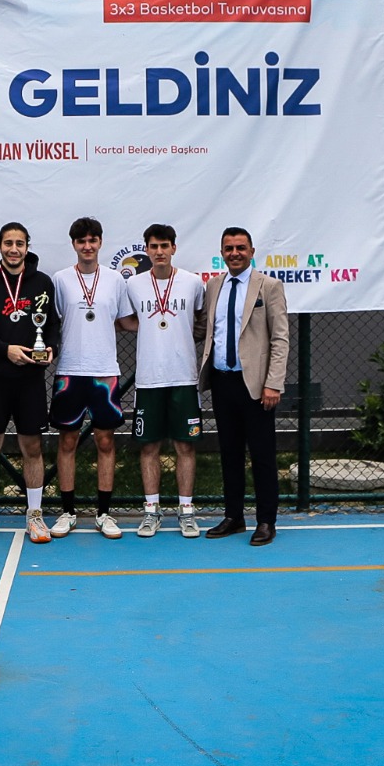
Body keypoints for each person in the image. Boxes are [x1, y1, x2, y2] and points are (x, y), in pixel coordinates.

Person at [0, 222, 62, 545]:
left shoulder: (42, 283)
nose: (13, 249)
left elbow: (53, 326)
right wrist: (5, 350)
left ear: (27, 246)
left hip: (30, 380)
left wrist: (51, 349)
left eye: (19, 243)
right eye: (8, 243)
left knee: (32, 447)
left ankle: (35, 514)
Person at [197, 227, 289, 546]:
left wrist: (273, 383)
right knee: (230, 453)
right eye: (228, 248)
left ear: (251, 251)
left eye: (240, 248)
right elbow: (205, 329)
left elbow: (280, 339)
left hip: (257, 386)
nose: (234, 253)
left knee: (262, 455)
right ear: (222, 253)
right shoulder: (214, 286)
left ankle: (266, 521)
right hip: (222, 382)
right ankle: (234, 516)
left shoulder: (269, 286)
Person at [49, 217, 137, 539]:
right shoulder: (60, 279)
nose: (87, 246)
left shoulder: (115, 280)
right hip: (70, 372)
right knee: (67, 441)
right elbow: (52, 322)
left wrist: (167, 326)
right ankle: (68, 511)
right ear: (74, 244)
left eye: (92, 240)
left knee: (105, 441)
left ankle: (103, 513)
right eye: (81, 241)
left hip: (104, 372)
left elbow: (126, 321)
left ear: (100, 242)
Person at [127, 224, 207, 539]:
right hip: (149, 379)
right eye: (154, 246)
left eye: (164, 245)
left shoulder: (192, 283)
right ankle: (152, 510)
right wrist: (150, 332)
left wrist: (181, 337)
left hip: (183, 377)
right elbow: (124, 319)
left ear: (174, 247)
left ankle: (186, 511)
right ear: (146, 250)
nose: (159, 251)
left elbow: (201, 320)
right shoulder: (133, 284)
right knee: (149, 446)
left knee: (185, 445)